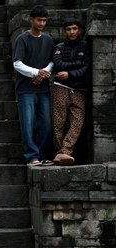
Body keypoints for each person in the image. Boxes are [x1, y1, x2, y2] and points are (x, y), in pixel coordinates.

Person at [12, 4, 54, 166]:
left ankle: (43, 155)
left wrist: (43, 72)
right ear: (31, 20)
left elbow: (53, 61)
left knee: (46, 123)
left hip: (43, 88)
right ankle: (32, 156)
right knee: (28, 124)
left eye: (44, 20)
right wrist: (36, 73)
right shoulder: (22, 39)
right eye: (39, 20)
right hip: (25, 89)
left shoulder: (48, 39)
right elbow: (17, 63)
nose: (42, 23)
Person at [51, 19, 90, 166]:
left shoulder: (86, 46)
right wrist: (77, 64)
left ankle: (65, 151)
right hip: (60, 87)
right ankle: (59, 153)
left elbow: (86, 67)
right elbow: (58, 64)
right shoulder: (59, 47)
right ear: (64, 31)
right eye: (68, 29)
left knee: (77, 121)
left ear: (79, 30)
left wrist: (69, 74)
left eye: (74, 29)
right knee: (58, 122)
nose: (72, 32)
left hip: (79, 89)